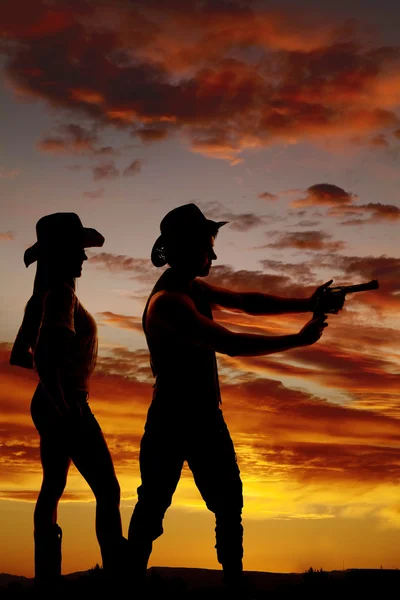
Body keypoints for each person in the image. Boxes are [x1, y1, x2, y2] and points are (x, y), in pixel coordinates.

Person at [127, 203, 345, 596]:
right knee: (155, 508)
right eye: (207, 248)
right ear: (185, 248)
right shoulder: (170, 303)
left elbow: (250, 301)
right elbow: (229, 343)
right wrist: (299, 339)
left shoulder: (189, 288)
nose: (214, 255)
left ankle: (232, 586)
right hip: (174, 418)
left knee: (226, 504)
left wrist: (309, 303)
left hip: (201, 415)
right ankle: (130, 588)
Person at [9, 213, 126, 592]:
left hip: (50, 400)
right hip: (65, 403)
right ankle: (117, 579)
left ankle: (47, 580)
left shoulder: (40, 296)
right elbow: (41, 355)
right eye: (78, 250)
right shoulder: (61, 295)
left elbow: (19, 355)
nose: (84, 259)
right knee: (107, 490)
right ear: (60, 254)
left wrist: (56, 376)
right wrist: (64, 398)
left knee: (53, 487)